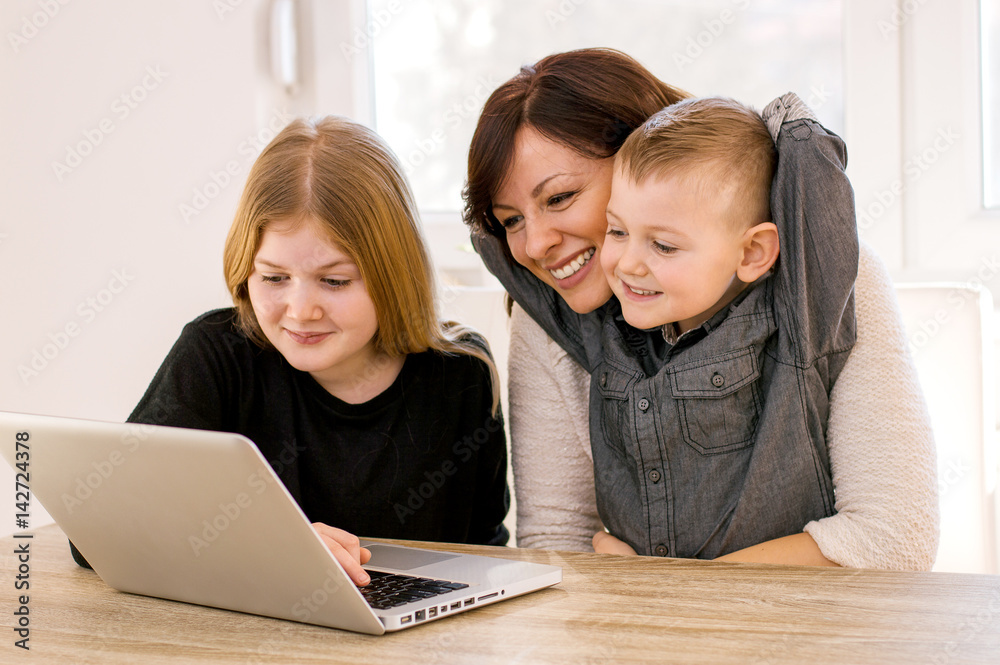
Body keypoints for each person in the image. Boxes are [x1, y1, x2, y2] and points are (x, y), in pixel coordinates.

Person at [465, 48, 939, 569]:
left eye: (559, 198)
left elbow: (895, 537)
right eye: (510, 220)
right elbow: (556, 543)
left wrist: (666, 585)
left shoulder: (827, 283)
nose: (534, 245)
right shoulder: (551, 313)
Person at [71, 116, 510, 585]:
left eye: (334, 281)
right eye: (274, 278)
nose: (300, 311)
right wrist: (271, 545)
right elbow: (93, 537)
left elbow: (486, 553)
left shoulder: (460, 373)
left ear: (395, 273)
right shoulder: (217, 357)